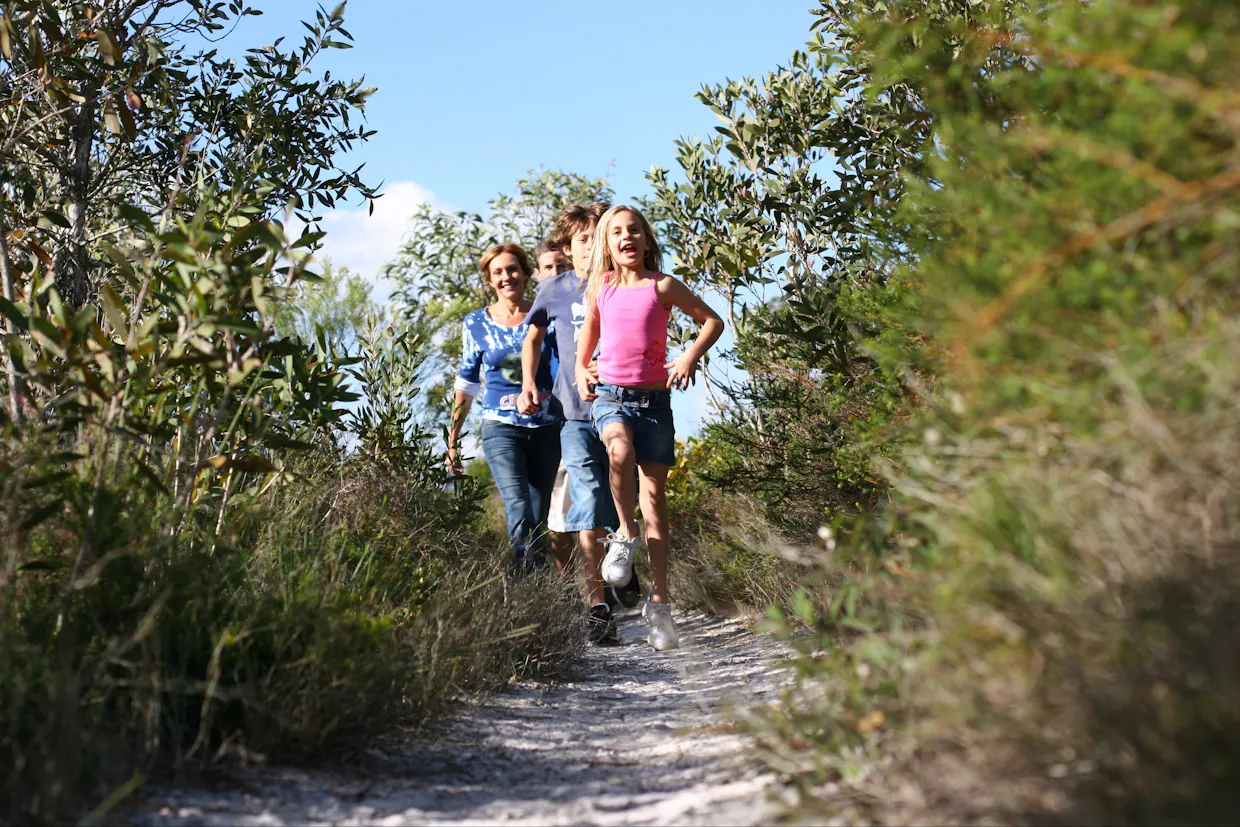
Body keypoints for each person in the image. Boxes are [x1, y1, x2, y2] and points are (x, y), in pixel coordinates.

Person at [575, 205, 723, 651]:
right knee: (617, 452)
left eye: (634, 230)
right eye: (617, 231)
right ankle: (624, 533)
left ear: (645, 239)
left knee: (656, 501)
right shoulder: (599, 288)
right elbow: (586, 350)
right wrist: (583, 372)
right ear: (607, 243)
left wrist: (688, 356)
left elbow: (712, 321)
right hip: (612, 398)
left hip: (656, 403)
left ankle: (659, 606)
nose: (627, 237)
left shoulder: (663, 285)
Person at [518, 203, 642, 645]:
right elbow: (532, 337)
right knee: (586, 505)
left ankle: (624, 561)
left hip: (624, 410)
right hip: (573, 416)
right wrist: (530, 382)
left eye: (598, 235)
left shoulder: (621, 286)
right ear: (568, 248)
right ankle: (598, 607)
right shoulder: (553, 290)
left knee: (614, 504)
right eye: (583, 238)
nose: (591, 244)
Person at [447, 243, 561, 572]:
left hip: (546, 426)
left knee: (539, 516)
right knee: (519, 507)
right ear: (489, 280)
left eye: (512, 269)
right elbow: (466, 382)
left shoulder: (547, 316)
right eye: (497, 272)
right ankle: (528, 586)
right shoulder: (475, 324)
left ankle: (537, 596)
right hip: (501, 428)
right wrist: (453, 442)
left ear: (526, 274)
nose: (506, 276)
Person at [532, 237, 573, 572]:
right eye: (549, 267)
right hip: (546, 424)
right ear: (537, 273)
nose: (556, 272)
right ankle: (567, 590)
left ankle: (607, 583)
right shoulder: (531, 321)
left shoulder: (576, 311)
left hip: (582, 412)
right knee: (556, 511)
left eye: (561, 265)